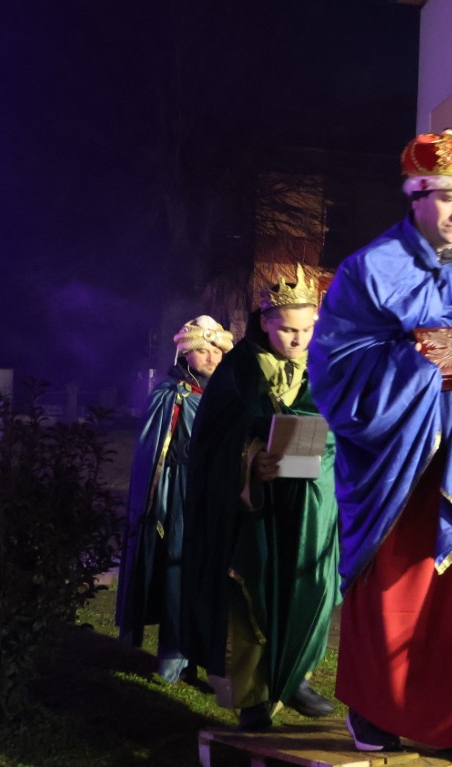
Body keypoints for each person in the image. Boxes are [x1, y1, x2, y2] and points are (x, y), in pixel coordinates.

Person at [308, 130, 452, 767]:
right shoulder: (368, 269)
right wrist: (434, 356)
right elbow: (337, 369)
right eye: (449, 199)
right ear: (418, 195)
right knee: (396, 593)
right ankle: (375, 711)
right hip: (396, 468)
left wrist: (450, 351)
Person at [179, 265, 340, 730]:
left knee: (310, 585)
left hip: (311, 502)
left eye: (306, 330)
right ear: (265, 322)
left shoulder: (325, 366)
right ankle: (253, 695)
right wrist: (250, 460)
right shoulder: (238, 371)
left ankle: (295, 674)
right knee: (252, 594)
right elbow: (211, 441)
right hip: (256, 507)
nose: (298, 339)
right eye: (287, 330)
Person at [115, 315, 232, 682]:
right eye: (203, 350)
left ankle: (206, 655)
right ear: (185, 354)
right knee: (178, 573)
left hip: (220, 496)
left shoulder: (229, 395)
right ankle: (174, 653)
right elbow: (154, 453)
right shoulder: (170, 394)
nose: (212, 357)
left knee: (213, 577)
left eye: (217, 350)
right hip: (182, 496)